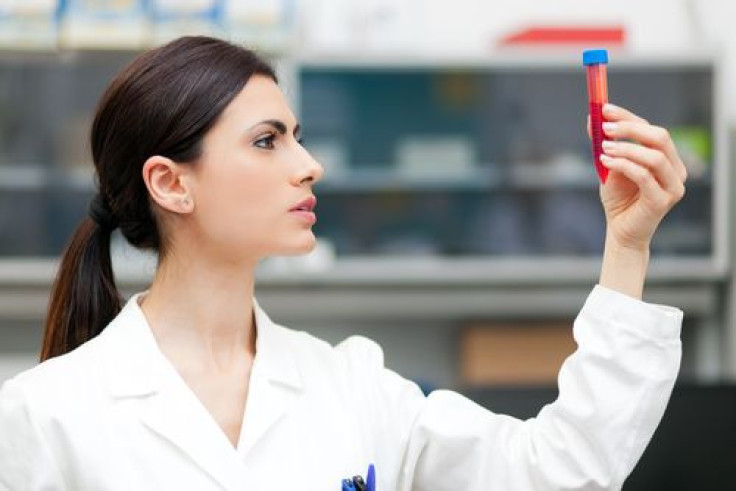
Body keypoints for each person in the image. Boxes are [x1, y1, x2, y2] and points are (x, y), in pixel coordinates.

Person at [0, 36, 686, 490]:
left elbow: (556, 472)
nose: (310, 165)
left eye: (298, 137)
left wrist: (626, 247)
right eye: (267, 142)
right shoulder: (50, 414)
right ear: (171, 182)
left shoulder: (351, 385)